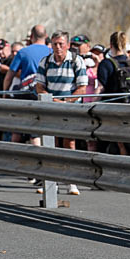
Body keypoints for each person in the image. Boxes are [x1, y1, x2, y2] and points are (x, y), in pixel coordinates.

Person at [35, 31, 88, 196]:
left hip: (69, 108)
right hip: (51, 108)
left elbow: (82, 88)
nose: (58, 47)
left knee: (69, 143)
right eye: (55, 44)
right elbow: (39, 86)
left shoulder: (76, 61)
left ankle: (71, 181)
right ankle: (51, 182)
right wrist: (52, 101)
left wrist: (66, 103)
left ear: (68, 45)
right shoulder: (45, 62)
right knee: (51, 144)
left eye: (61, 44)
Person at [4, 24, 50, 96]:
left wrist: (5, 94)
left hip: (28, 93)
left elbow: (9, 77)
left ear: (31, 36)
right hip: (48, 92)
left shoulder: (22, 52)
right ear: (46, 36)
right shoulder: (52, 52)